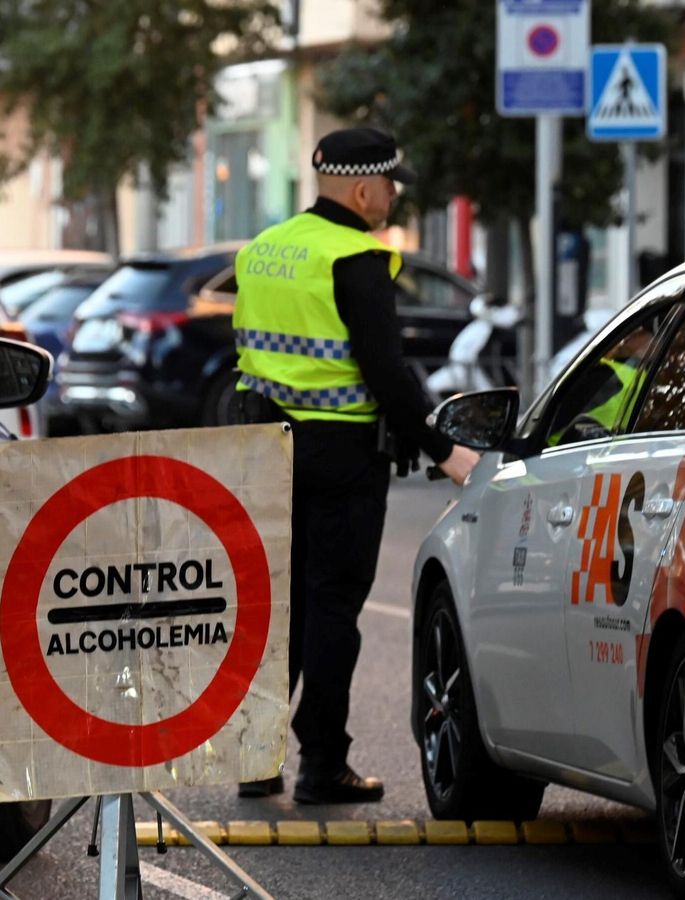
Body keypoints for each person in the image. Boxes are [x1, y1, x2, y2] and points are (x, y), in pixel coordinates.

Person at [231, 127, 480, 805]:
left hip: (265, 449)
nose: (394, 195)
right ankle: (322, 765)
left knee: (279, 606)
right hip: (340, 457)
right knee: (333, 608)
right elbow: (388, 377)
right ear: (364, 188)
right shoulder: (357, 257)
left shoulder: (262, 251)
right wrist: (445, 450)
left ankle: (256, 756)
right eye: (392, 183)